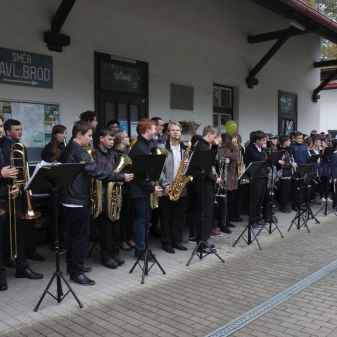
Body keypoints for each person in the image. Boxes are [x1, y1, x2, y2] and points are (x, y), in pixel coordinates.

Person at [60, 121, 133, 286]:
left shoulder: (67, 149)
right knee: (80, 238)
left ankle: (72, 267)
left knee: (72, 237)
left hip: (68, 200)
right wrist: (120, 177)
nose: (91, 140)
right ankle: (77, 273)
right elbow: (95, 172)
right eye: (89, 136)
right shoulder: (79, 151)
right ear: (79, 134)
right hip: (77, 200)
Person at [94, 129, 134, 269]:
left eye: (113, 140)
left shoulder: (113, 154)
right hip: (102, 197)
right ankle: (106, 257)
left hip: (115, 196)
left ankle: (114, 253)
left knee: (115, 227)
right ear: (101, 139)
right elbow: (99, 174)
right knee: (105, 229)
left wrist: (122, 177)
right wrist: (117, 177)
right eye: (109, 139)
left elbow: (118, 170)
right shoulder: (95, 154)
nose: (112, 142)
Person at [129, 118, 163, 260]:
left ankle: (143, 248)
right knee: (141, 221)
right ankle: (140, 250)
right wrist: (151, 189)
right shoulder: (139, 148)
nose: (156, 131)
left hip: (145, 188)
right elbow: (138, 175)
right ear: (147, 130)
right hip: (140, 190)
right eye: (154, 128)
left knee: (145, 220)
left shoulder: (148, 145)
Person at [189, 126, 221, 253]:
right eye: (215, 136)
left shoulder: (203, 145)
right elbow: (205, 168)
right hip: (204, 186)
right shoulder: (202, 147)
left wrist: (215, 146)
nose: (215, 139)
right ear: (210, 134)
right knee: (206, 215)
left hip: (202, 185)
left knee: (204, 214)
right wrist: (215, 179)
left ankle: (202, 241)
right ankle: (202, 243)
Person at [159, 121, 188, 253]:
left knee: (179, 217)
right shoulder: (162, 148)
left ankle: (177, 241)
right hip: (167, 187)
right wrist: (164, 185)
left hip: (181, 187)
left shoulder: (184, 148)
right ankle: (167, 242)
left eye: (178, 130)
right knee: (166, 218)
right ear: (168, 133)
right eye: (173, 130)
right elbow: (158, 169)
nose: (176, 132)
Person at [114, 131, 135, 251]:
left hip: (129, 186)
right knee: (122, 216)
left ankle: (129, 237)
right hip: (120, 187)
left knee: (130, 215)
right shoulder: (115, 154)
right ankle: (121, 240)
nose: (129, 138)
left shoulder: (127, 151)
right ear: (121, 140)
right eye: (126, 137)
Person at [244, 130, 268, 229]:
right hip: (256, 177)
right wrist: (263, 150)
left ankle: (258, 219)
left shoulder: (260, 148)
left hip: (263, 176)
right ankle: (252, 222)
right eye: (263, 140)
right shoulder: (250, 148)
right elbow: (259, 159)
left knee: (260, 200)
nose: (264, 142)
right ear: (257, 140)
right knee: (254, 201)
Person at [278, 136, 297, 213]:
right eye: (288, 141)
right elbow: (281, 163)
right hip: (284, 173)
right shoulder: (281, 150)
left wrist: (292, 164)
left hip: (288, 172)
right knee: (284, 191)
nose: (290, 142)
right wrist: (291, 164)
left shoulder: (287, 150)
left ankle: (285, 205)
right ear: (284, 142)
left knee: (287, 190)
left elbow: (288, 160)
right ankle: (283, 207)